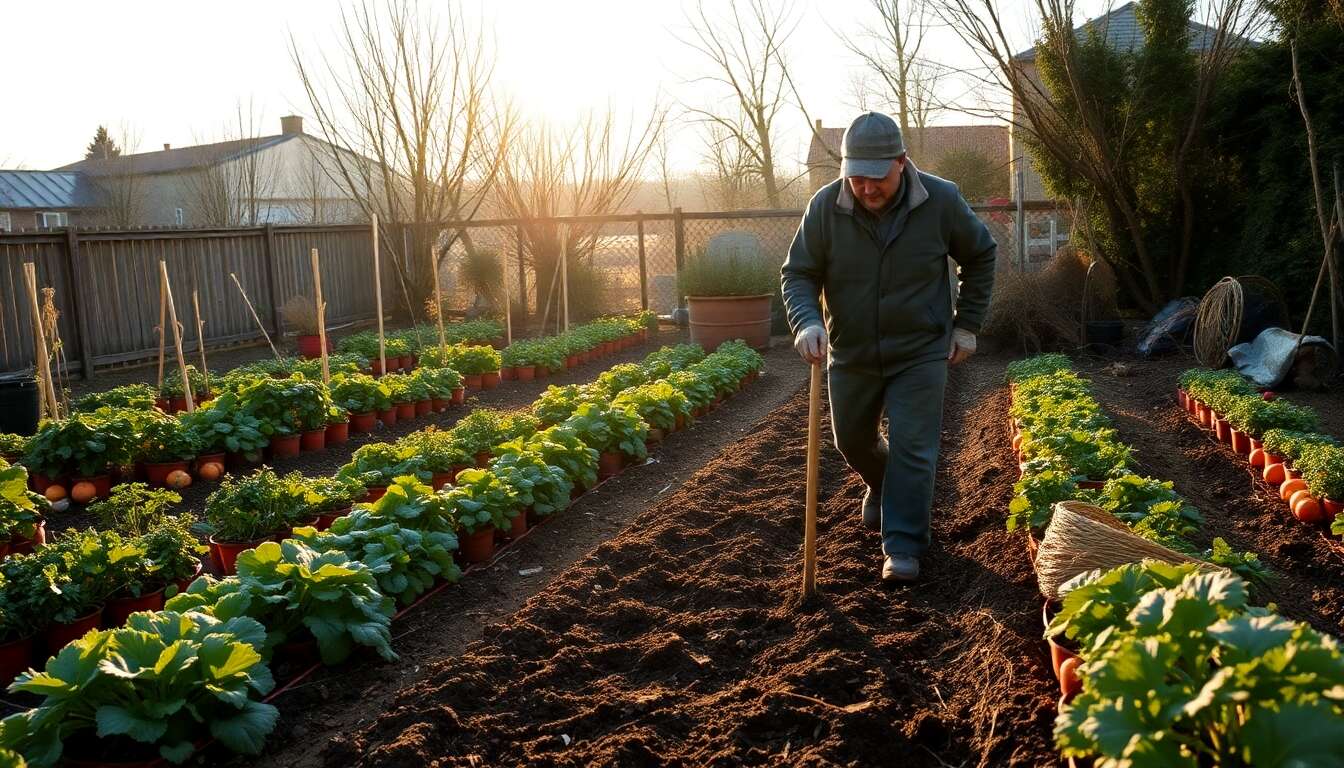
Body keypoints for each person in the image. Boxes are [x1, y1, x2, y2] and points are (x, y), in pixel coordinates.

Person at [781, 111, 997, 584]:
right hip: (851, 350)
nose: (866, 187)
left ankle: (903, 545)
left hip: (920, 349)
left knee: (913, 449)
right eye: (856, 177)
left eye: (876, 177)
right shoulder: (825, 207)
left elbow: (981, 255)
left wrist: (967, 326)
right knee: (850, 440)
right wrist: (806, 321)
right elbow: (798, 273)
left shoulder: (941, 200)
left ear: (902, 162)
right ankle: (882, 483)